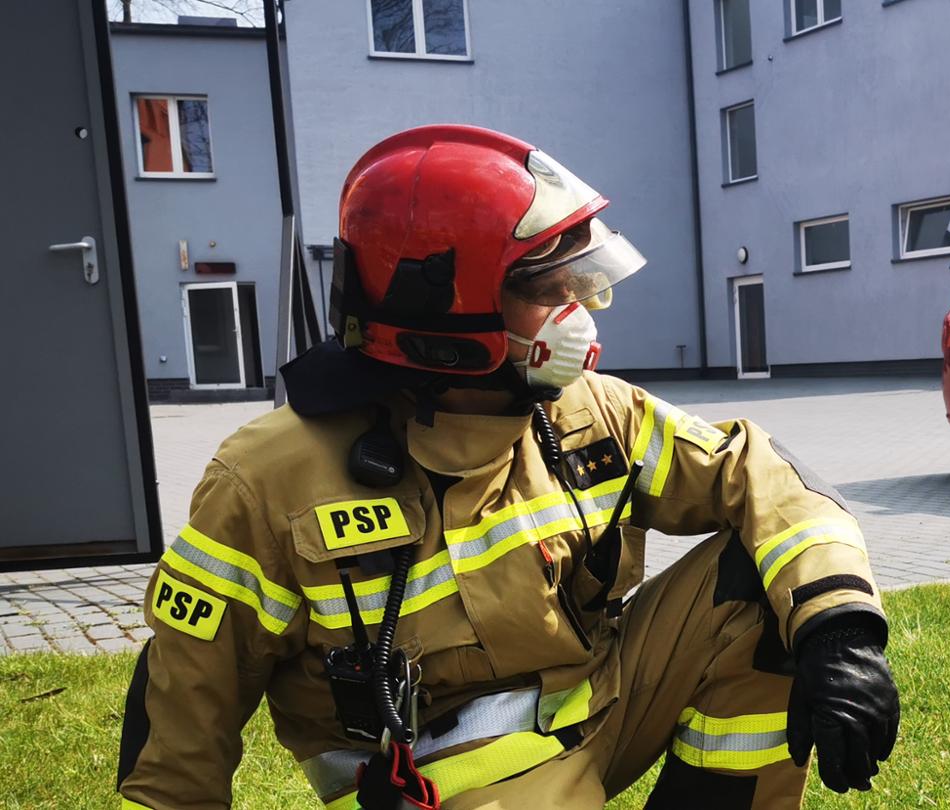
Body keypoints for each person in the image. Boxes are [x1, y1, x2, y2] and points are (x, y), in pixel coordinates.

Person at [116, 125, 898, 810]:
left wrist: (839, 632)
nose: (579, 311)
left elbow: (760, 473)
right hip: (438, 775)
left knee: (771, 589)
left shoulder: (590, 410)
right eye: (549, 289)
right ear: (443, 318)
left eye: (578, 282)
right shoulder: (269, 480)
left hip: (599, 705)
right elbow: (184, 701)